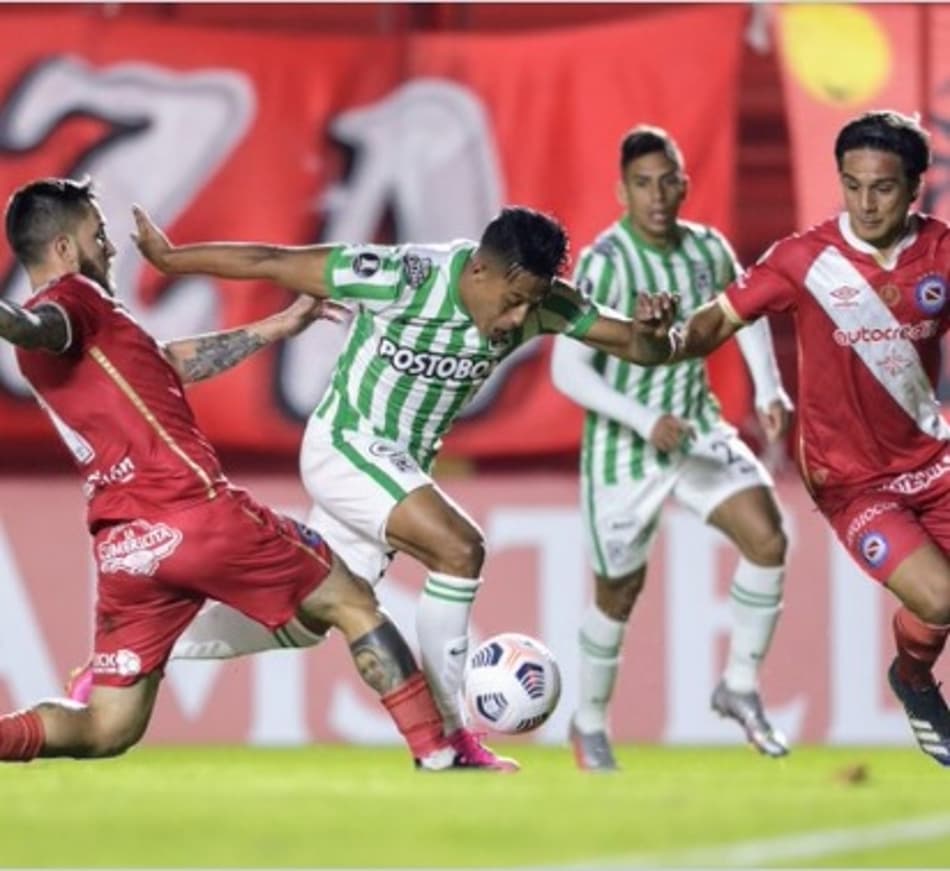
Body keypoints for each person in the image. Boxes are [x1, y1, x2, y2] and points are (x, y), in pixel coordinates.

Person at [95, 202, 679, 771]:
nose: (515, 320)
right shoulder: (406, 275)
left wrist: (654, 334)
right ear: (479, 269)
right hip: (346, 443)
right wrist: (171, 261)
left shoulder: (542, 303)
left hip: (397, 469)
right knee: (460, 548)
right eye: (511, 301)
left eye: (527, 305)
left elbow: (635, 344)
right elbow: (273, 259)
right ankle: (454, 737)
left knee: (304, 620)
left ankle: (127, 657)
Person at [0, 177, 462, 771]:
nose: (110, 248)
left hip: (126, 548)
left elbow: (164, 365)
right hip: (195, 514)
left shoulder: (91, 340)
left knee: (105, 728)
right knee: (352, 602)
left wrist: (274, 328)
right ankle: (439, 755)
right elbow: (36, 324)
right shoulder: (70, 303)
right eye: (99, 235)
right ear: (64, 250)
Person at [661, 110, 950, 766]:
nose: (866, 202)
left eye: (882, 188)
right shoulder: (803, 260)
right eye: (852, 185)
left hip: (934, 458)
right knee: (938, 597)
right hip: (850, 479)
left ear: (914, 188)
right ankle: (911, 680)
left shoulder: (941, 253)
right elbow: (712, 326)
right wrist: (663, 336)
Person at [551, 125, 793, 771]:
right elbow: (567, 371)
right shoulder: (604, 262)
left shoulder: (708, 248)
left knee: (768, 538)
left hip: (695, 428)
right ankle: (590, 721)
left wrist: (769, 387)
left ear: (684, 183)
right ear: (622, 190)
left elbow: (744, 311)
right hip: (624, 449)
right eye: (641, 183)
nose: (656, 195)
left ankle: (739, 684)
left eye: (666, 181)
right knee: (618, 593)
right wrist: (642, 415)